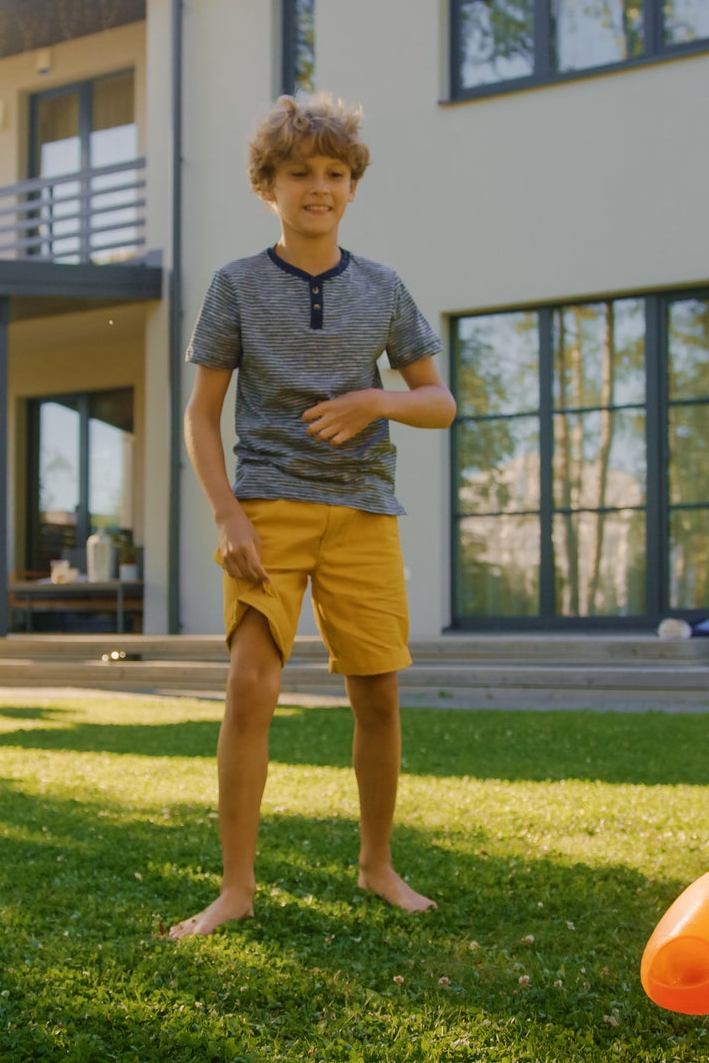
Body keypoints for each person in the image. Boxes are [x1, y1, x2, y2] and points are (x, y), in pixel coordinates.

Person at [169, 92, 456, 939]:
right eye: (300, 173)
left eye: (334, 173)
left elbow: (438, 402)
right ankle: (236, 888)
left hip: (363, 512)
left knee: (378, 697)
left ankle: (376, 866)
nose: (318, 186)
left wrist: (376, 399)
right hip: (268, 509)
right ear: (270, 184)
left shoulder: (384, 289)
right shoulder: (235, 287)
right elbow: (200, 415)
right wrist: (228, 515)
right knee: (250, 686)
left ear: (353, 186)